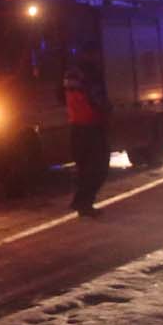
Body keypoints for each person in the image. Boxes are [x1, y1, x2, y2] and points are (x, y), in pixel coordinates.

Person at [64, 57, 109, 216]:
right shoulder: (91, 78)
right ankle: (83, 202)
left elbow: (61, 97)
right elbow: (100, 102)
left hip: (76, 128)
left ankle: (81, 203)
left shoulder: (69, 77)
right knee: (99, 169)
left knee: (84, 169)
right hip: (92, 128)